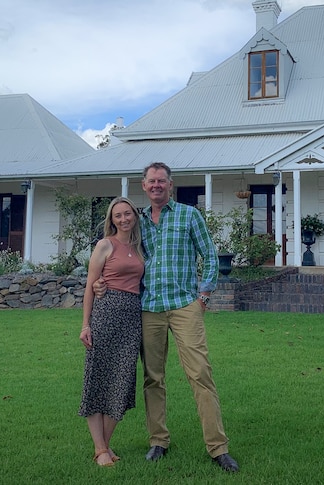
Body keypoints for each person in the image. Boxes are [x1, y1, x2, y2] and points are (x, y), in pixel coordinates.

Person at [96, 162, 239, 473]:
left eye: (162, 181)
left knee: (200, 373)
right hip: (149, 307)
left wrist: (204, 294)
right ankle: (158, 440)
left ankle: (218, 447)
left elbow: (210, 255)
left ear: (170, 185)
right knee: (153, 377)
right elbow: (119, 253)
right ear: (144, 187)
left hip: (185, 304)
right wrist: (100, 280)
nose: (157, 185)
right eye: (151, 181)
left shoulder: (189, 215)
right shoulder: (137, 222)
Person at [78, 196, 145, 467]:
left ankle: (103, 446)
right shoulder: (105, 245)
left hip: (131, 319)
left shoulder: (141, 248)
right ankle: (100, 449)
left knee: (122, 381)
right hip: (105, 315)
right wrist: (85, 324)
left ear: (134, 216)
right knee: (98, 379)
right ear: (111, 219)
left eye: (127, 214)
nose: (124, 219)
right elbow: (90, 285)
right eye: (118, 215)